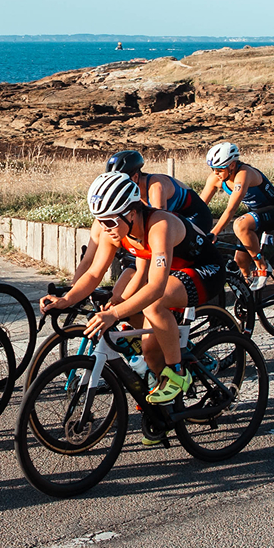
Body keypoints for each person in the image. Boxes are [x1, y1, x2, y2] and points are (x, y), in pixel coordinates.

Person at [41, 172, 224, 441]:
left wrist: (113, 313)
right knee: (150, 351)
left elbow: (157, 287)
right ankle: (164, 417)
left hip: (204, 269)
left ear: (131, 213)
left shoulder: (159, 224)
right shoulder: (115, 231)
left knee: (155, 304)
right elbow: (93, 274)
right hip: (175, 274)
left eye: (109, 221)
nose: (105, 228)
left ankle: (177, 372)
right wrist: (67, 299)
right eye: (100, 221)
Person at [200, 141, 274, 290]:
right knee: (240, 261)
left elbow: (231, 209)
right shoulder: (215, 178)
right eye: (213, 169)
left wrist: (214, 233)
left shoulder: (244, 174)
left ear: (232, 165)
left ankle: (262, 265)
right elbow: (200, 207)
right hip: (255, 215)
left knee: (240, 224)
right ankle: (248, 295)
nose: (216, 173)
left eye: (219, 169)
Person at [105, 149, 215, 234]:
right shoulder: (133, 190)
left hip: (196, 217)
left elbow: (158, 223)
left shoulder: (156, 187)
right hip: (177, 217)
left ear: (135, 177)